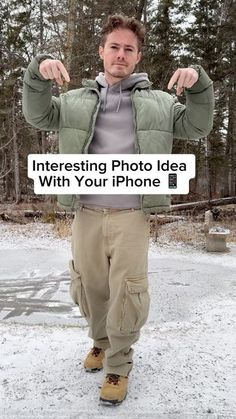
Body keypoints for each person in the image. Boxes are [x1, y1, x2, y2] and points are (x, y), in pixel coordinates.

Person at [23, 14, 214, 405]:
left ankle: (119, 363)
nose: (121, 54)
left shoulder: (160, 104)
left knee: (127, 291)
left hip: (132, 215)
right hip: (86, 213)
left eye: (129, 49)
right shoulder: (73, 101)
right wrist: (38, 74)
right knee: (91, 289)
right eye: (114, 46)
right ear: (102, 51)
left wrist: (199, 84)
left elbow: (198, 127)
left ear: (138, 56)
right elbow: (38, 114)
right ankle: (100, 341)